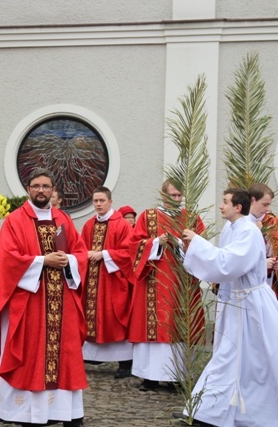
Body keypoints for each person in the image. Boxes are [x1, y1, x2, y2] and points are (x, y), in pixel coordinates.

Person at [0, 168, 88, 427]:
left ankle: (65, 414)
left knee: (64, 357)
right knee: (30, 358)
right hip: (29, 305)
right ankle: (31, 417)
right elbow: (7, 261)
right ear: (28, 189)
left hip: (61, 305)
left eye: (46, 186)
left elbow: (81, 253)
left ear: (53, 190)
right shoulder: (15, 221)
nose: (41, 190)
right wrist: (43, 261)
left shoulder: (63, 218)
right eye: (36, 186)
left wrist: (69, 260)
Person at [180, 188, 278, 426]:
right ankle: (209, 410)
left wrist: (198, 243)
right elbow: (222, 261)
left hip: (252, 305)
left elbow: (228, 263)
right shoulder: (231, 228)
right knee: (230, 357)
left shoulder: (248, 231)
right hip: (235, 302)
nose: (220, 206)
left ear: (239, 207)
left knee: (255, 360)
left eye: (225, 202)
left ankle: (245, 412)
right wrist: (191, 247)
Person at [128, 180, 205, 392]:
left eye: (180, 196)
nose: (176, 200)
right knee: (153, 326)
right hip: (153, 279)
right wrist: (155, 243)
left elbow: (202, 245)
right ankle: (149, 377)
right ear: (163, 195)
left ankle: (176, 378)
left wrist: (181, 244)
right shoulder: (148, 216)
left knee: (177, 327)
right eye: (172, 195)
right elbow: (134, 245)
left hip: (181, 283)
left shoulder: (191, 217)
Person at [81, 187, 134, 378]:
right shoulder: (88, 225)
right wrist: (84, 255)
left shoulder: (122, 225)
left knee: (115, 319)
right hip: (92, 282)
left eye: (102, 200)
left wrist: (103, 254)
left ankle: (125, 363)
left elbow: (129, 252)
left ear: (110, 202)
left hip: (112, 281)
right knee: (91, 319)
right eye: (95, 201)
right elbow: (80, 248)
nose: (98, 204)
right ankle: (91, 357)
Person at [247, 183, 278, 297]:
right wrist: (261, 264)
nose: (267, 209)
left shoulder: (274, 222)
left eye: (269, 205)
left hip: (270, 283)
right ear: (252, 200)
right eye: (264, 205)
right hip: (245, 287)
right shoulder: (238, 222)